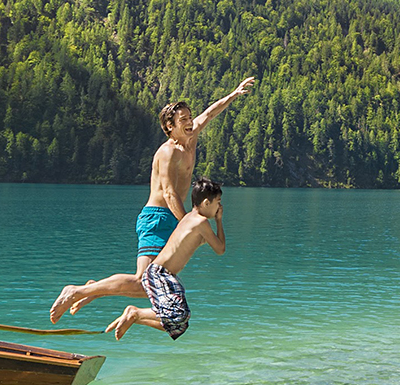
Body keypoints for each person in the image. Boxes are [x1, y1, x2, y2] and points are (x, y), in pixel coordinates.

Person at [50, 76, 255, 322]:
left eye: (190, 117)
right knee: (142, 282)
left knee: (149, 286)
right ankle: (78, 291)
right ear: (170, 126)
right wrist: (187, 224)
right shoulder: (167, 152)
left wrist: (234, 94)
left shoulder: (191, 136)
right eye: (184, 120)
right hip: (157, 218)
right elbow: (169, 193)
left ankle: (94, 289)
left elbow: (210, 113)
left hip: (173, 219)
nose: (190, 122)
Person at [105, 177, 225, 340]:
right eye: (218, 202)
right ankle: (135, 312)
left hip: (162, 274)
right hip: (160, 274)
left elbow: (200, 241)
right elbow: (220, 249)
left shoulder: (189, 218)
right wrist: (219, 221)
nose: (220, 206)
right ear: (206, 203)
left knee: (180, 325)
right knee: (177, 315)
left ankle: (137, 317)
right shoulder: (201, 222)